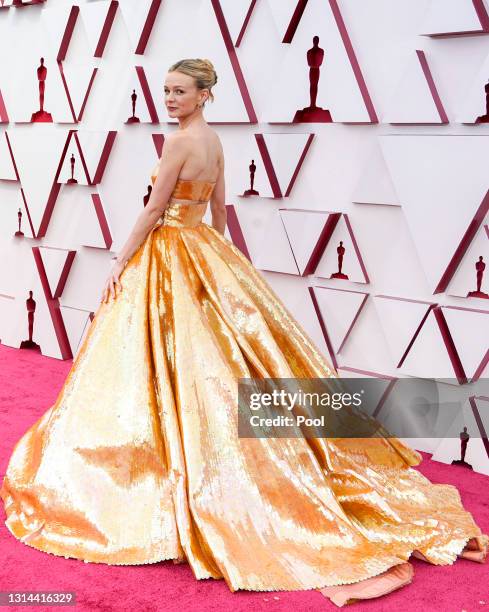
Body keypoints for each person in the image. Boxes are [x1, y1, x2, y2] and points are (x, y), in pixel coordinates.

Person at [1, 58, 486, 608]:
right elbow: (218, 210)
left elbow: (155, 208)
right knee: (213, 360)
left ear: (205, 94)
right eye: (166, 90)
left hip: (168, 251)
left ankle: (180, 466)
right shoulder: (214, 142)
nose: (170, 98)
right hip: (202, 251)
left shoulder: (180, 144)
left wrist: (120, 259)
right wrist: (223, 262)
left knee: (165, 364)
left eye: (180, 91)